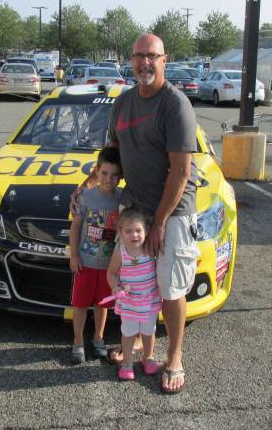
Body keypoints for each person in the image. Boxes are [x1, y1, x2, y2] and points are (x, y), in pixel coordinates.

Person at [71, 33, 199, 393]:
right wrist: (85, 186)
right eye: (139, 56)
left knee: (169, 286)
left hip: (171, 212)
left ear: (164, 60)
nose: (145, 62)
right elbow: (111, 154)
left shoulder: (175, 105)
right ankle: (142, 341)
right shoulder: (123, 103)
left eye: (152, 56)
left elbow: (181, 172)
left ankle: (174, 356)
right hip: (134, 209)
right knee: (134, 282)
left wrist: (158, 223)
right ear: (132, 59)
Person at [69, 146, 122, 364]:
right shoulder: (86, 197)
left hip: (109, 267)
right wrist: (73, 255)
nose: (109, 179)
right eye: (104, 173)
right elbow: (75, 227)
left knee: (102, 305)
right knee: (80, 304)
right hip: (85, 263)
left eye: (115, 175)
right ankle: (78, 341)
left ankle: (98, 338)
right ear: (97, 172)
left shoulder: (121, 199)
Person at [107, 207, 162, 380]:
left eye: (138, 230)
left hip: (149, 301)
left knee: (149, 331)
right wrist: (115, 287)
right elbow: (111, 273)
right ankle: (127, 362)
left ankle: (148, 357)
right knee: (128, 333)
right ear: (120, 233)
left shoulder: (151, 249)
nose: (134, 235)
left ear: (146, 231)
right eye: (128, 231)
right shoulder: (120, 253)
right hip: (129, 302)